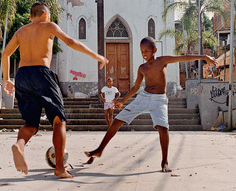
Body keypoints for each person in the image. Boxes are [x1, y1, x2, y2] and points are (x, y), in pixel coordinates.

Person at [2, 1, 108, 179]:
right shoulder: (49, 25)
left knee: (31, 125)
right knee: (59, 121)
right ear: (46, 15)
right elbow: (71, 42)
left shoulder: (21, 31)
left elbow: (6, 54)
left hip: (22, 76)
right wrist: (95, 55)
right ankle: (59, 167)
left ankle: (19, 145)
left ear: (30, 17)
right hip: (41, 73)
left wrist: (6, 80)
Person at [85, 36, 218, 173]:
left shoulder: (162, 61)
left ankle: (164, 162)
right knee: (118, 121)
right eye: (142, 51)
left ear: (154, 50)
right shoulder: (142, 68)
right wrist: (122, 101)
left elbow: (183, 57)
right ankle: (100, 149)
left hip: (159, 100)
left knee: (163, 128)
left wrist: (204, 56)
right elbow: (136, 88)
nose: (144, 54)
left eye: (147, 51)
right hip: (144, 97)